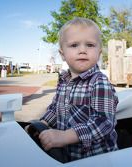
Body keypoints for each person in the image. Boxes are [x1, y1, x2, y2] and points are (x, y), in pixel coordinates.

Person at [30, 17, 119, 162]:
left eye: (90, 45)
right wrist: (42, 125)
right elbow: (55, 109)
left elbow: (104, 123)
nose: (82, 50)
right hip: (66, 156)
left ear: (99, 52)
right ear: (62, 54)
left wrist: (65, 136)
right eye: (74, 45)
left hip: (97, 159)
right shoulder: (64, 81)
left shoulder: (99, 82)